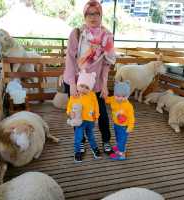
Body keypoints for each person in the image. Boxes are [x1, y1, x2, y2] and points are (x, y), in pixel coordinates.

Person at [63, 0, 116, 154]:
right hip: (75, 82)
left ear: (101, 15)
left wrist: (105, 84)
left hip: (95, 83)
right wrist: (72, 83)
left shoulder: (107, 36)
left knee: (102, 113)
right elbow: (71, 59)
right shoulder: (77, 33)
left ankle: (106, 140)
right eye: (89, 14)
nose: (93, 17)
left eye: (96, 13)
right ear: (84, 15)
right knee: (77, 111)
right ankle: (80, 142)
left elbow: (107, 63)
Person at [66, 70, 101, 162]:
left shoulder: (92, 95)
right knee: (78, 138)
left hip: (90, 121)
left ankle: (95, 149)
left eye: (87, 87)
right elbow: (69, 107)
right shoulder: (74, 95)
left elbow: (96, 106)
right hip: (79, 121)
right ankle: (77, 152)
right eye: (82, 86)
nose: (84, 89)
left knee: (91, 136)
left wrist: (96, 117)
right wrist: (70, 113)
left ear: (90, 88)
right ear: (77, 85)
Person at [105, 81, 135, 160]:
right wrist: (104, 95)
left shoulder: (128, 106)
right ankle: (119, 147)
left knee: (122, 139)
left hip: (124, 126)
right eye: (118, 96)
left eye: (123, 96)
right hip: (116, 124)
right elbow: (107, 100)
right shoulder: (113, 99)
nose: (120, 98)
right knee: (118, 137)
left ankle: (121, 154)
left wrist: (130, 127)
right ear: (114, 94)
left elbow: (131, 117)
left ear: (128, 95)